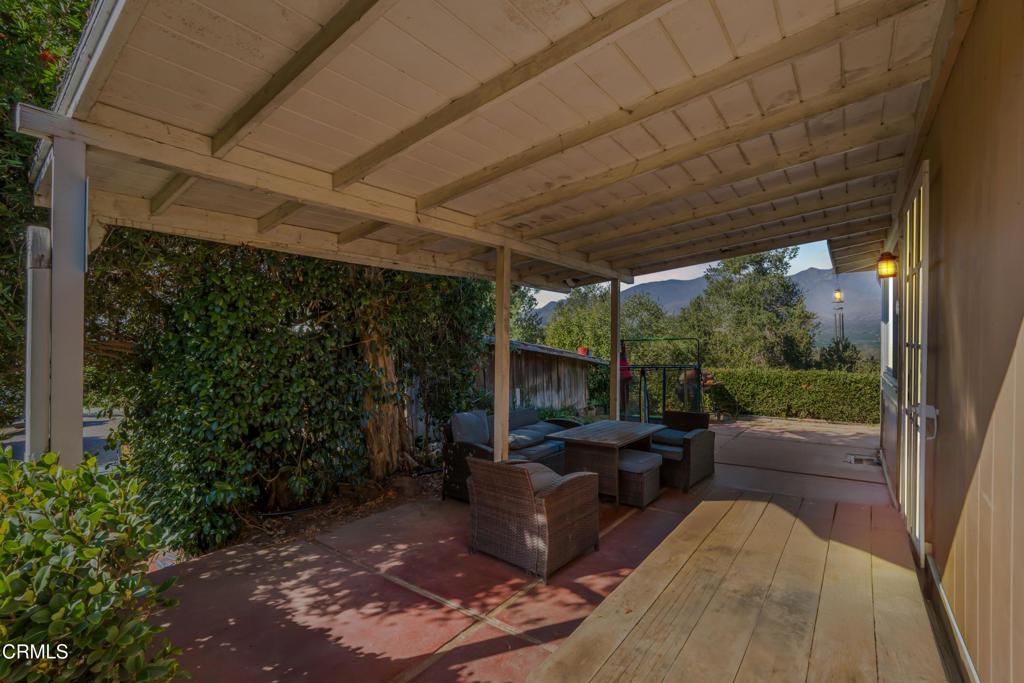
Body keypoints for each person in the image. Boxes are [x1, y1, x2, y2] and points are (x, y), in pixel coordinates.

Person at [619, 341, 632, 417]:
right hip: (625, 378)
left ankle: (625, 408)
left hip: (625, 377)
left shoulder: (622, 359)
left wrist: (622, 344)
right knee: (623, 393)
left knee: (624, 392)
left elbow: (624, 351)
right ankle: (624, 408)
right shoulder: (620, 360)